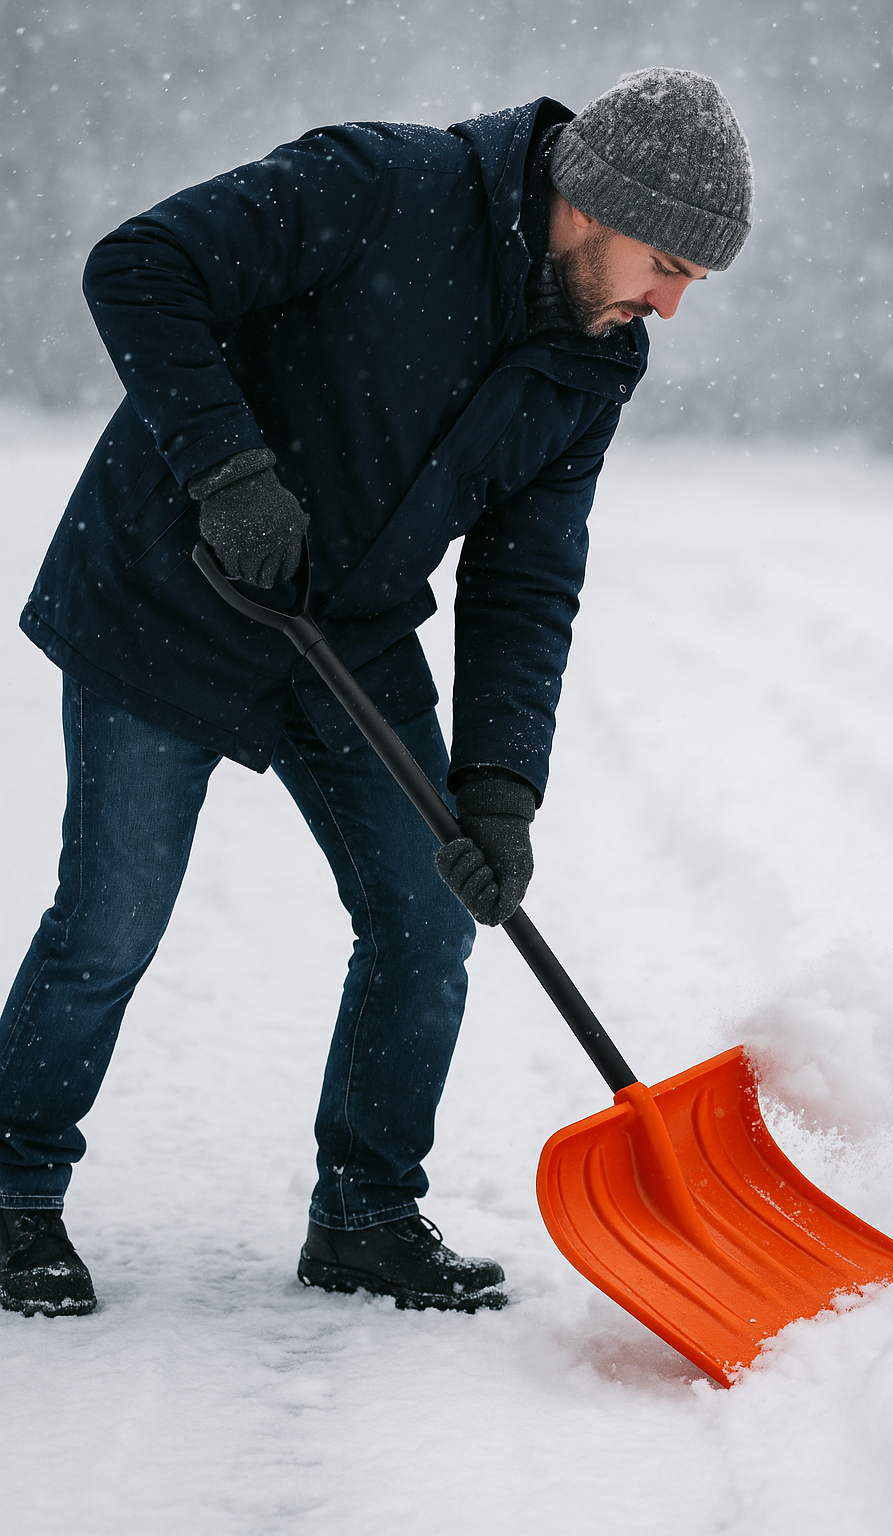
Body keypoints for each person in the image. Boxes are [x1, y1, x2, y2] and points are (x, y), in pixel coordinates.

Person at [0, 68, 752, 1317]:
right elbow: (141, 266)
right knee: (110, 924)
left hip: (343, 627)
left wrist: (500, 791)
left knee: (426, 914)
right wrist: (230, 471)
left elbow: (526, 581)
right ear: (589, 204)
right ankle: (12, 1191)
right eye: (667, 263)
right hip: (171, 587)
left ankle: (365, 1214)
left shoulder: (588, 365)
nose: (667, 304)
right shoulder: (385, 187)